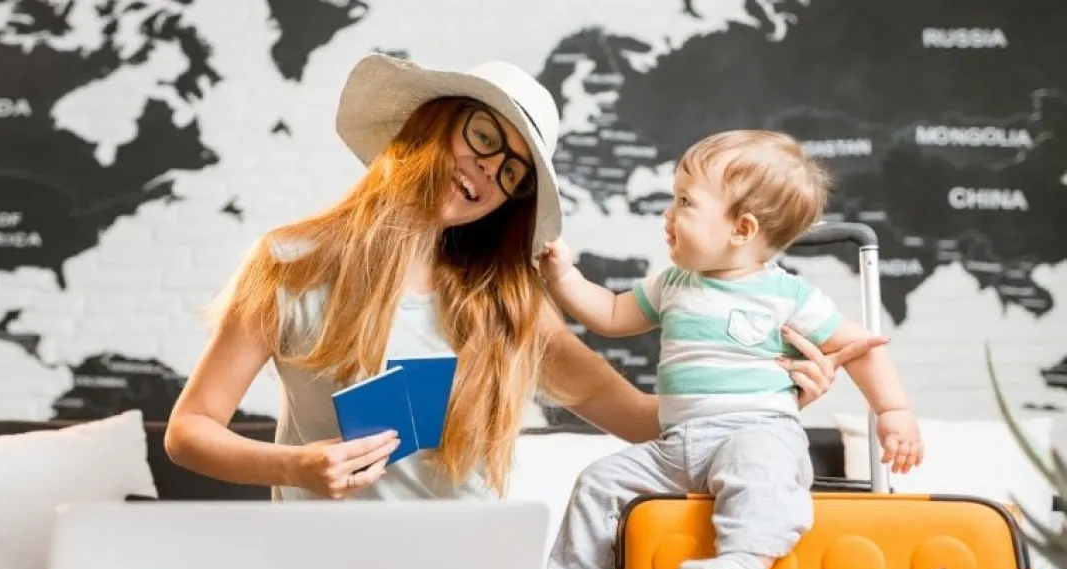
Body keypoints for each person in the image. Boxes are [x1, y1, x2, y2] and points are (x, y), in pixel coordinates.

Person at [163, 54, 884, 505]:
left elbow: (635, 415)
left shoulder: (503, 298)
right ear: (429, 125)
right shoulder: (290, 264)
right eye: (482, 136)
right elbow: (190, 431)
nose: (487, 171)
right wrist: (296, 467)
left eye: (512, 169)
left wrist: (765, 395)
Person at [536, 130, 925, 569]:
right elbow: (613, 314)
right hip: (676, 445)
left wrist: (894, 411)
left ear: (741, 230)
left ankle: (744, 566)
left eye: (685, 201)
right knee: (599, 481)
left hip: (755, 431)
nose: (668, 212)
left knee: (760, 472)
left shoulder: (787, 294)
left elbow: (862, 345)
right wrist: (564, 276)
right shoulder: (672, 283)